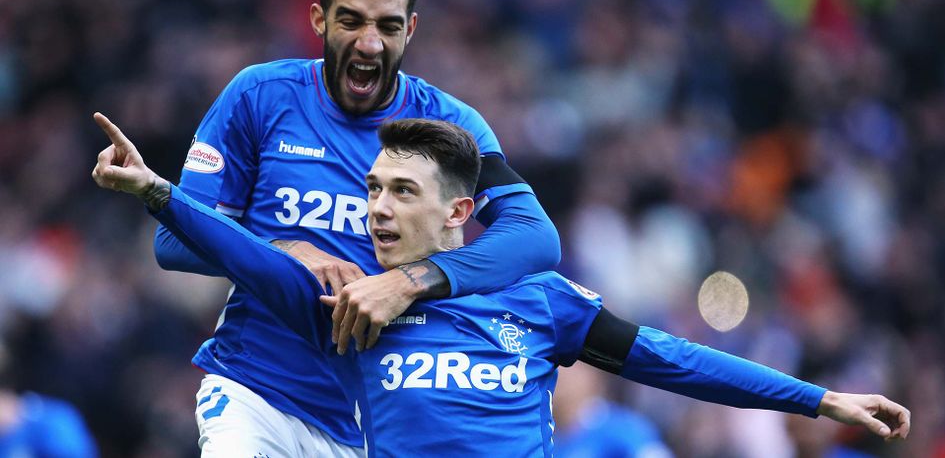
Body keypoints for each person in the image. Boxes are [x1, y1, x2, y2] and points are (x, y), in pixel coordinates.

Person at [92, 113, 911, 457]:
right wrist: (155, 192)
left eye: (399, 192)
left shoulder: (536, 299)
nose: (375, 206)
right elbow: (243, 255)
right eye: (371, 190)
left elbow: (668, 358)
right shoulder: (348, 306)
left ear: (457, 211)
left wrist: (820, 401)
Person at [151, 0, 559, 455]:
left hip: (372, 420)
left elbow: (534, 237)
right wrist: (285, 249)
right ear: (319, 19)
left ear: (410, 30)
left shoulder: (453, 125)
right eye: (351, 21)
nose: (369, 43)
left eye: (388, 26)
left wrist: (410, 282)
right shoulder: (259, 97)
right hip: (255, 391)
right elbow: (173, 240)